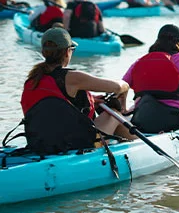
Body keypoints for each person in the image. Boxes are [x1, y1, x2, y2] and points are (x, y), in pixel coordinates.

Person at [20, 27, 132, 155]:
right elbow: (117, 87)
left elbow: (53, 111)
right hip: (75, 145)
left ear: (43, 52)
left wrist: (91, 101)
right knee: (113, 115)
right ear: (67, 52)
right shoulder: (73, 78)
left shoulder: (32, 80)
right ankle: (137, 145)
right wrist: (126, 85)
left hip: (40, 143)